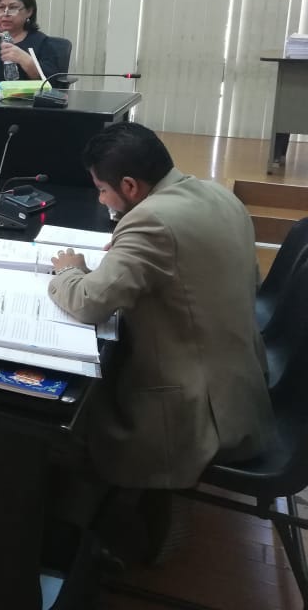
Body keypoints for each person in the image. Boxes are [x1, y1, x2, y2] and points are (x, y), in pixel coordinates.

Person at [48, 122, 274, 490]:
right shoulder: (221, 197)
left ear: (130, 186)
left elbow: (88, 302)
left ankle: (107, 529)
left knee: (69, 418)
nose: (101, 200)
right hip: (243, 397)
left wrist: (68, 273)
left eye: (103, 190)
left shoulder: (150, 221)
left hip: (194, 417)